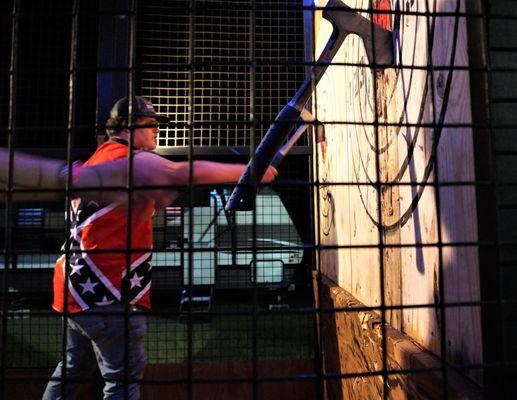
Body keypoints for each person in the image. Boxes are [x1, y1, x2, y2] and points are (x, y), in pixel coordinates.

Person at [41, 96, 277, 400]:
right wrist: (250, 172)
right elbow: (183, 172)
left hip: (74, 291)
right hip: (107, 293)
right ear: (128, 126)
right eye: (150, 124)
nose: (157, 130)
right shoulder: (129, 159)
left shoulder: (101, 158)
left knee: (73, 369)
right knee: (123, 379)